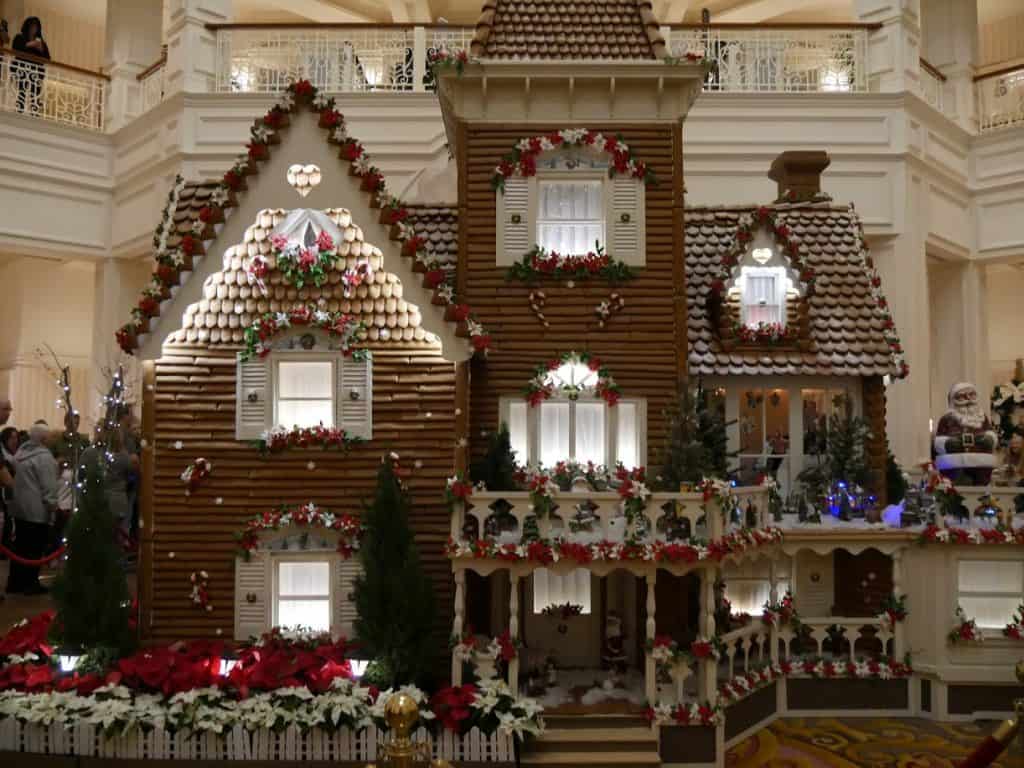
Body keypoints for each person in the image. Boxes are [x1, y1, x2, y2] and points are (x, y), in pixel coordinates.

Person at [6, 421, 57, 595]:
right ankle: (30, 584)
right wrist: (52, 506)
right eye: (49, 437)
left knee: (20, 548)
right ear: (43, 439)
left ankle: (15, 583)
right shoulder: (44, 458)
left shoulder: (21, 453)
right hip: (37, 510)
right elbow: (48, 486)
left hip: (20, 508)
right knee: (34, 549)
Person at [11, 17, 49, 115]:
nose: (34, 28)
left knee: (35, 95)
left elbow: (47, 59)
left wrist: (41, 49)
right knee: (21, 92)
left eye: (36, 26)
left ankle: (34, 114)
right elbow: (15, 50)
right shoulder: (20, 37)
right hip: (22, 69)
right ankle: (19, 111)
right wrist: (30, 45)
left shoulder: (41, 42)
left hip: (36, 72)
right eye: (32, 25)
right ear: (27, 26)